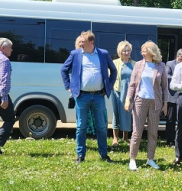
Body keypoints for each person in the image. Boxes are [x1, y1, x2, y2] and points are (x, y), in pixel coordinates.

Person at [61, 30, 117, 163]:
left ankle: (104, 154)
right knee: (81, 127)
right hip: (82, 96)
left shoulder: (103, 54)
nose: (80, 44)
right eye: (80, 41)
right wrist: (68, 86)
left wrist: (108, 86)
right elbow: (64, 69)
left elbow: (113, 70)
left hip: (98, 96)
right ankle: (80, 155)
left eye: (83, 41)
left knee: (102, 126)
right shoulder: (75, 54)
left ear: (91, 42)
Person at [124, 41, 168, 171]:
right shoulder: (138, 65)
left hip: (155, 102)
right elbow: (132, 84)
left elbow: (164, 87)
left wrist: (165, 104)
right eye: (142, 50)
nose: (142, 52)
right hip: (140, 100)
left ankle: (151, 159)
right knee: (137, 132)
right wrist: (128, 99)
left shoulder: (161, 66)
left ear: (151, 51)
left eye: (144, 50)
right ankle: (132, 159)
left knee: (153, 132)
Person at [112, 41, 135, 147]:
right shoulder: (115, 62)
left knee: (127, 114)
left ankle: (125, 137)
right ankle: (115, 138)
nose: (126, 52)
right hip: (117, 91)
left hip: (129, 93)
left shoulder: (135, 64)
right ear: (120, 52)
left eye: (128, 50)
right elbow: (110, 76)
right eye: (124, 50)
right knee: (116, 114)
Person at [165, 48, 182, 146]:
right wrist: (178, 79)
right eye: (181, 59)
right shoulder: (170, 64)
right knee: (170, 120)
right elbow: (167, 76)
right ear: (177, 57)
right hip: (172, 96)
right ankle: (170, 140)